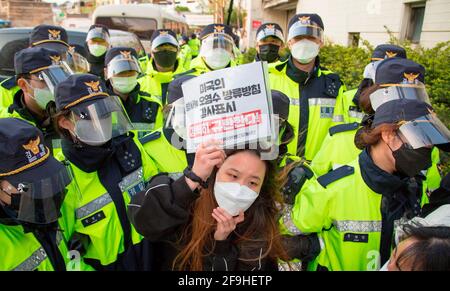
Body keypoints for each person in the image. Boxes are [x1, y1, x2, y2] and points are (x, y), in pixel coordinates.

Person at [280, 98, 450, 271]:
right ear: (388, 134)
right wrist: (310, 249)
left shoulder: (415, 190)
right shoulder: (332, 189)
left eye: (430, 144)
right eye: (421, 139)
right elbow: (282, 242)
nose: (427, 150)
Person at [52, 73, 158, 270]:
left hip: (148, 255)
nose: (102, 121)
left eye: (105, 113)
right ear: (65, 122)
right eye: (89, 116)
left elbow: (154, 187)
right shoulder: (61, 176)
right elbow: (62, 250)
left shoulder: (130, 147)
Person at [0, 118, 92, 271]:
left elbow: (73, 264)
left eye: (44, 178)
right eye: (26, 185)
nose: (42, 191)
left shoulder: (55, 206)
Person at [268, 14, 346, 160]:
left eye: (311, 38)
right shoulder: (268, 76)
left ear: (321, 42)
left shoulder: (333, 86)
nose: (304, 43)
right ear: (289, 43)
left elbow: (338, 135)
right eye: (298, 38)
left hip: (317, 174)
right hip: (274, 168)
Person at [1, 47, 72, 157]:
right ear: (23, 85)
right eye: (45, 80)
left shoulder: (72, 117)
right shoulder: (6, 129)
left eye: (59, 77)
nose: (55, 86)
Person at [1, 25, 71, 115]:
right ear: (30, 49)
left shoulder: (73, 81)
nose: (52, 56)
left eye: (60, 52)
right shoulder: (5, 90)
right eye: (43, 50)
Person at [334, 44, 407, 124]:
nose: (386, 73)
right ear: (370, 69)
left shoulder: (411, 102)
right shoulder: (347, 98)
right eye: (380, 67)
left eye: (394, 69)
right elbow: (336, 131)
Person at [104, 47, 163, 136]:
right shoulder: (100, 105)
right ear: (106, 73)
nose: (126, 76)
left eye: (131, 71)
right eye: (120, 72)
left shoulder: (152, 104)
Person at [139, 29, 186, 107]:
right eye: (160, 49)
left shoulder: (189, 81)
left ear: (178, 51)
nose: (165, 52)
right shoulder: (139, 84)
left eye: (170, 48)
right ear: (152, 52)